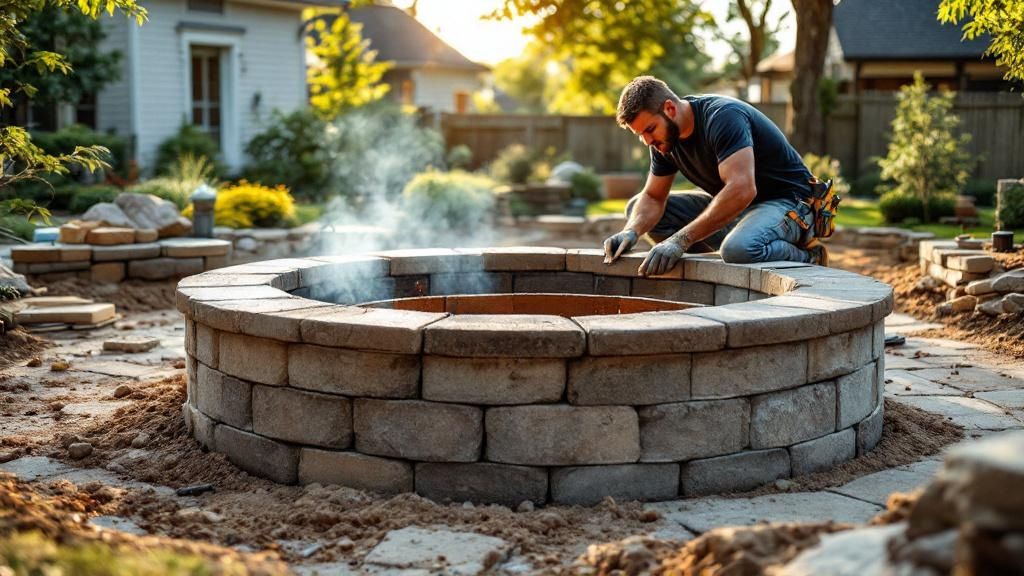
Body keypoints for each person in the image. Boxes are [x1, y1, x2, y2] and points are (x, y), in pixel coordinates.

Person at [603, 75, 827, 275]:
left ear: (669, 108)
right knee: (636, 210)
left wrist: (679, 240)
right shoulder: (664, 142)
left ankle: (809, 257)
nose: (647, 141)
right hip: (741, 210)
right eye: (640, 134)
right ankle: (706, 271)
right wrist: (630, 231)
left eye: (650, 129)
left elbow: (742, 189)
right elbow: (653, 197)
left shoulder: (722, 117)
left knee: (738, 249)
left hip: (791, 204)